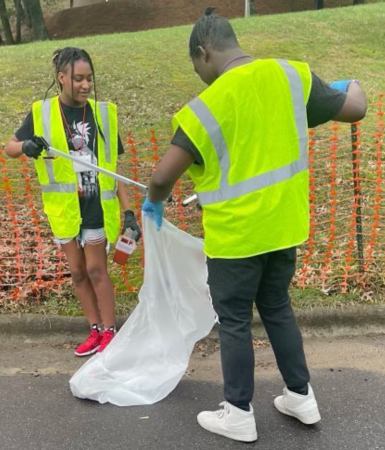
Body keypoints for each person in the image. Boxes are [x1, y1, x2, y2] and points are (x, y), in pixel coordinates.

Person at [142, 9, 367, 443]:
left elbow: (160, 176)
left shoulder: (206, 107)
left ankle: (239, 412)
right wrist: (348, 84)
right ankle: (301, 397)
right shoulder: (291, 77)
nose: (199, 75)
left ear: (203, 52)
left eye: (196, 66)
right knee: (278, 308)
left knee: (234, 322)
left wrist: (154, 203)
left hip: (236, 240)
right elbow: (355, 108)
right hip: (283, 229)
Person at [6, 47, 141, 357]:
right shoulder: (42, 113)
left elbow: (112, 169)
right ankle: (94, 329)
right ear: (61, 78)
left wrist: (129, 211)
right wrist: (26, 145)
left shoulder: (103, 113)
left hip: (96, 204)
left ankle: (110, 331)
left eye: (89, 78)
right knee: (78, 272)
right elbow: (9, 147)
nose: (85, 85)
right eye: (78, 78)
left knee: (96, 269)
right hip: (66, 209)